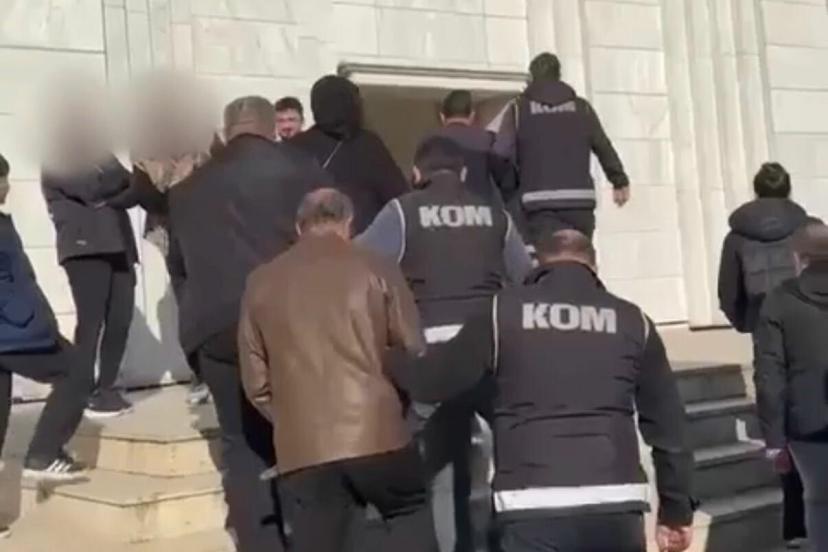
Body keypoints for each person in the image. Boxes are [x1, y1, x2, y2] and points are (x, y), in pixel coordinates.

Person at [391, 230, 695, 552]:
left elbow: (433, 381)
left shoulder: (500, 313)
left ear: (537, 263)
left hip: (531, 504)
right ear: (594, 266)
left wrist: (382, 356)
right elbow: (669, 428)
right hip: (616, 506)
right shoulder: (634, 321)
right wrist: (677, 509)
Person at [167, 96, 331, 552]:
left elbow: (179, 268)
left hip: (214, 328)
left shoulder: (185, 189)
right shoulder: (303, 171)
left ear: (227, 129)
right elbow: (330, 246)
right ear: (269, 126)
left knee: (238, 445)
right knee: (301, 434)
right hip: (288, 322)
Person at [357, 136, 533, 552]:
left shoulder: (402, 212)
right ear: (464, 173)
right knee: (513, 457)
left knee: (440, 471)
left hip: (432, 357)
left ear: (416, 173)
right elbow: (525, 277)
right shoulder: (496, 215)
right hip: (491, 350)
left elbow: (358, 266)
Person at [238, 188, 438, 552]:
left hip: (304, 449)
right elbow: (413, 350)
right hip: (380, 435)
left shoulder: (260, 282)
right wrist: (403, 413)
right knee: (409, 514)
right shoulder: (378, 267)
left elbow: (256, 385)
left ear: (299, 227)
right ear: (349, 223)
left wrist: (291, 421)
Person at [717, 161, 810, 547]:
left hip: (765, 331)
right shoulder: (809, 229)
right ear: (788, 190)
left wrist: (747, 323)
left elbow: (728, 294)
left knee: (779, 416)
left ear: (756, 191)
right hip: (811, 329)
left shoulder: (736, 238)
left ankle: (795, 528)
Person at [0, 153, 89, 541]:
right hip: (15, 332)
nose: (7, 186)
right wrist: (26, 316)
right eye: (3, 179)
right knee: (76, 370)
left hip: (14, 329)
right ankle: (43, 453)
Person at [493, 52, 630, 241]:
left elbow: (500, 154)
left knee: (549, 255)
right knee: (581, 253)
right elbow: (602, 145)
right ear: (559, 75)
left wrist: (507, 190)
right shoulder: (582, 107)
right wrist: (619, 180)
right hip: (580, 202)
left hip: (539, 203)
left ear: (532, 77)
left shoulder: (518, 109)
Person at [41, 151, 138, 418]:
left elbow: (132, 186)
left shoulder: (102, 154)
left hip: (120, 245)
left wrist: (113, 179)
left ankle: (106, 388)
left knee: (120, 320)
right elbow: (90, 189)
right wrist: (114, 179)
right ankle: (80, 391)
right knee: (91, 323)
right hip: (84, 249)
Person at [754, 220, 828, 552]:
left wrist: (774, 441)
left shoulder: (779, 300)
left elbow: (770, 374)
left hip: (806, 424)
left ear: (798, 257)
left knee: (819, 502)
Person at [290, 75, 409, 234]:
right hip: (359, 241)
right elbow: (398, 198)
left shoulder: (295, 146)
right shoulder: (369, 146)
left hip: (305, 240)